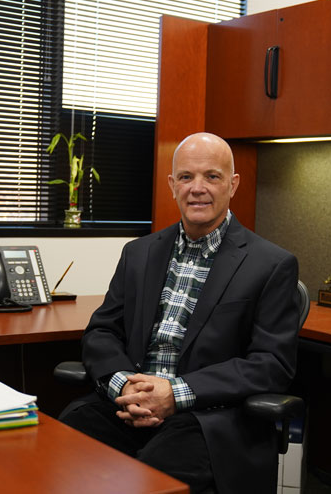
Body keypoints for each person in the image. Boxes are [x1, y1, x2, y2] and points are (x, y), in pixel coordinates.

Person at [59, 132, 300, 493]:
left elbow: (271, 364)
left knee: (150, 479)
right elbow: (102, 332)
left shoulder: (271, 264)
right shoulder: (138, 253)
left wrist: (175, 393)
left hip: (207, 416)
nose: (197, 188)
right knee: (62, 444)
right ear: (172, 185)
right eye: (186, 177)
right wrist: (123, 383)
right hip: (129, 403)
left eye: (212, 177)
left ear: (233, 185)